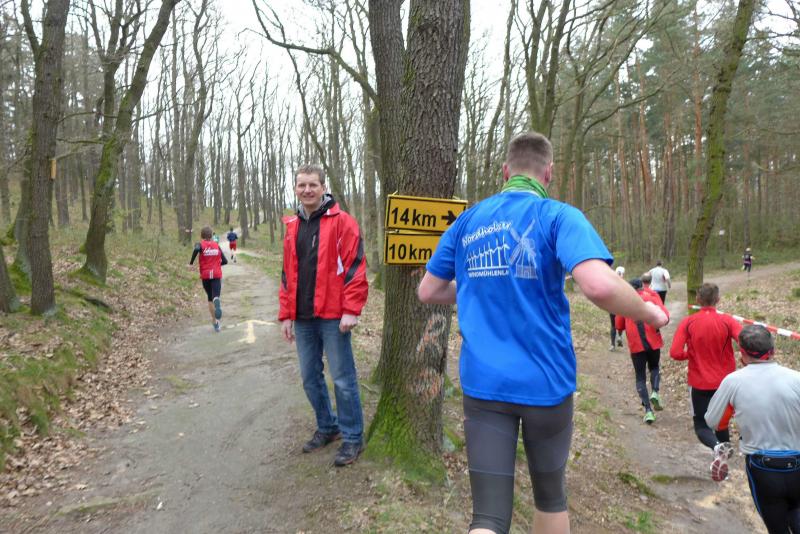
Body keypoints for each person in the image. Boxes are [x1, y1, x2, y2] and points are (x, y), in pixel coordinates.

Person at [417, 132, 668, 534]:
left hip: (484, 385)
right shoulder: (558, 216)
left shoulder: (468, 221)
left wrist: (477, 286)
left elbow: (428, 291)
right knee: (550, 497)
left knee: (487, 517)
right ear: (548, 172)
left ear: (505, 171)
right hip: (546, 383)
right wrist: (650, 313)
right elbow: (598, 285)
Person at [279, 164, 368, 467]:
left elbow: (356, 267)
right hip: (302, 317)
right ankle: (328, 427)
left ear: (323, 187)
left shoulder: (343, 222)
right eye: (301, 185)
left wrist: (351, 310)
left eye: (312, 185)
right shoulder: (292, 225)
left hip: (333, 316)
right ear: (295, 188)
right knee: (309, 378)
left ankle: (353, 437)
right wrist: (286, 315)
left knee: (342, 379)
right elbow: (286, 274)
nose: (307, 190)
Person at [705, 325, 800, 532]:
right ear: (773, 350)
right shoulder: (796, 378)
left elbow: (712, 421)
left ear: (742, 353)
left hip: (762, 468)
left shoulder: (733, 381)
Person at [669, 282, 741, 467]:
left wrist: (690, 354)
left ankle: (716, 447)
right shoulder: (728, 321)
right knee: (721, 423)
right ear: (718, 299)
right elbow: (746, 343)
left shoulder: (688, 322)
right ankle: (722, 460)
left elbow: (675, 353)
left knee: (701, 425)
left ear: (698, 299)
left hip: (699, 383)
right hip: (725, 384)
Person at [615, 278, 670, 424]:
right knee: (655, 367)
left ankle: (648, 411)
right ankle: (655, 392)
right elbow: (665, 316)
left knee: (640, 377)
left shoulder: (625, 302)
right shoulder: (652, 297)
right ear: (642, 287)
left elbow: (618, 324)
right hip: (653, 340)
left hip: (636, 344)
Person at [189, 226, 228, 332]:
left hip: (205, 275)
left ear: (202, 235)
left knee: (210, 298)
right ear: (211, 235)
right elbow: (225, 261)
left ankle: (215, 322)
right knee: (215, 297)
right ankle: (216, 300)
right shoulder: (216, 245)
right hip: (216, 274)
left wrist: (191, 263)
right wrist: (217, 264)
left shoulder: (200, 244)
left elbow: (196, 249)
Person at [609, 266, 626, 351]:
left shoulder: (610, 282)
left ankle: (612, 345)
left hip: (612, 306)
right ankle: (619, 337)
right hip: (621, 307)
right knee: (620, 323)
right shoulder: (624, 284)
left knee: (613, 325)